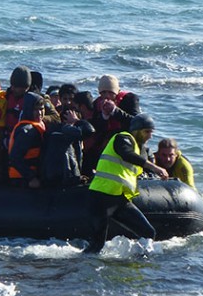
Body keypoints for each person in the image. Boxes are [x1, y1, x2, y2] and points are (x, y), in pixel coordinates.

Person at [83, 113, 169, 254]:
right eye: (147, 132)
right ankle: (80, 264)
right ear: (137, 130)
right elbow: (126, 154)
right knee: (97, 246)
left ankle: (138, 262)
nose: (150, 136)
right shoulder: (122, 138)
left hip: (119, 199)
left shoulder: (140, 149)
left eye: (151, 132)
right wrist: (154, 167)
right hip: (100, 197)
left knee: (148, 233)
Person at [41, 109, 95, 187]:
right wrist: (76, 120)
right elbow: (89, 130)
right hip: (63, 179)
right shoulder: (64, 130)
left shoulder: (59, 131)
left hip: (60, 178)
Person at [8, 93, 46, 188]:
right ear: (28, 110)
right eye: (35, 109)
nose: (39, 113)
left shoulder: (37, 125)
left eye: (41, 109)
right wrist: (31, 178)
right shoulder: (27, 131)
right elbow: (15, 158)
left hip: (32, 174)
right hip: (21, 178)